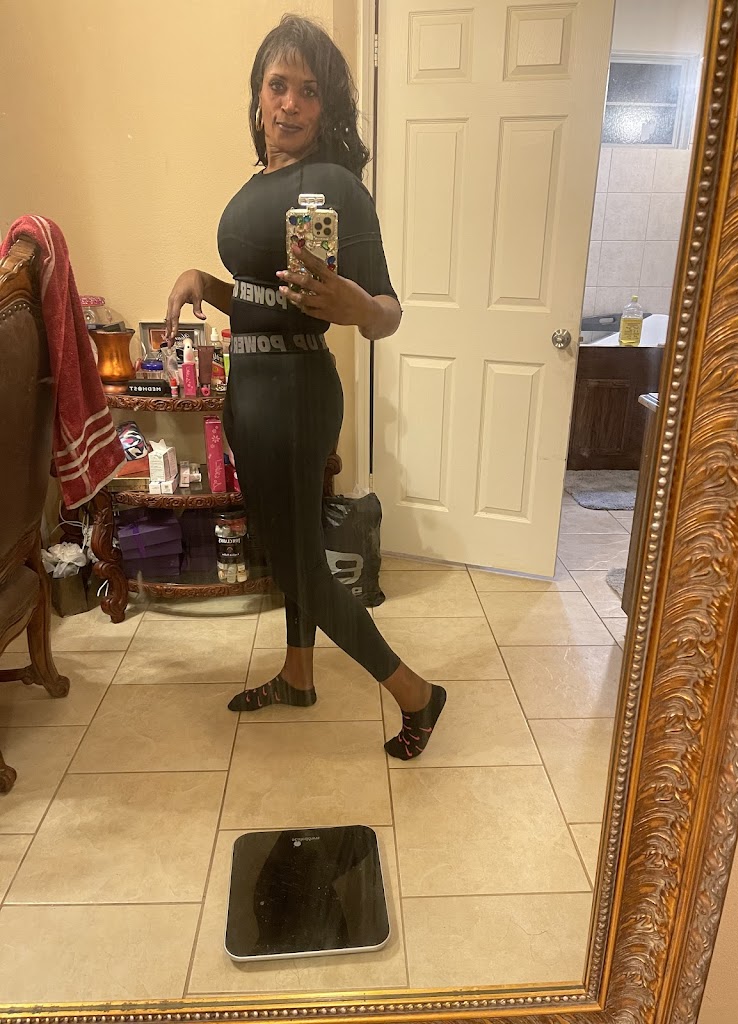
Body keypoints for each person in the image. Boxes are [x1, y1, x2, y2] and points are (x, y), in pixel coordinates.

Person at [164, 15, 445, 760]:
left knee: (297, 562)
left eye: (309, 91)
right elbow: (266, 298)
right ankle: (297, 674)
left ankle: (417, 694)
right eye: (278, 85)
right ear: (258, 94)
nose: (289, 104)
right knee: (286, 542)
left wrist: (357, 307)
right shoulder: (259, 183)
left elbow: (386, 310)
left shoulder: (335, 185)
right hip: (253, 385)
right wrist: (207, 284)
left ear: (328, 106)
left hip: (294, 388)